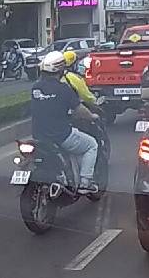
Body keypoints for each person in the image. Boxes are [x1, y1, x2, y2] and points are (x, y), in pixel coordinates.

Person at [31, 51, 99, 194]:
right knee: (91, 145)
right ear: (61, 70)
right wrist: (92, 116)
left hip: (39, 136)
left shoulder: (35, 88)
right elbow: (79, 110)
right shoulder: (63, 89)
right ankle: (85, 183)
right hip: (61, 136)